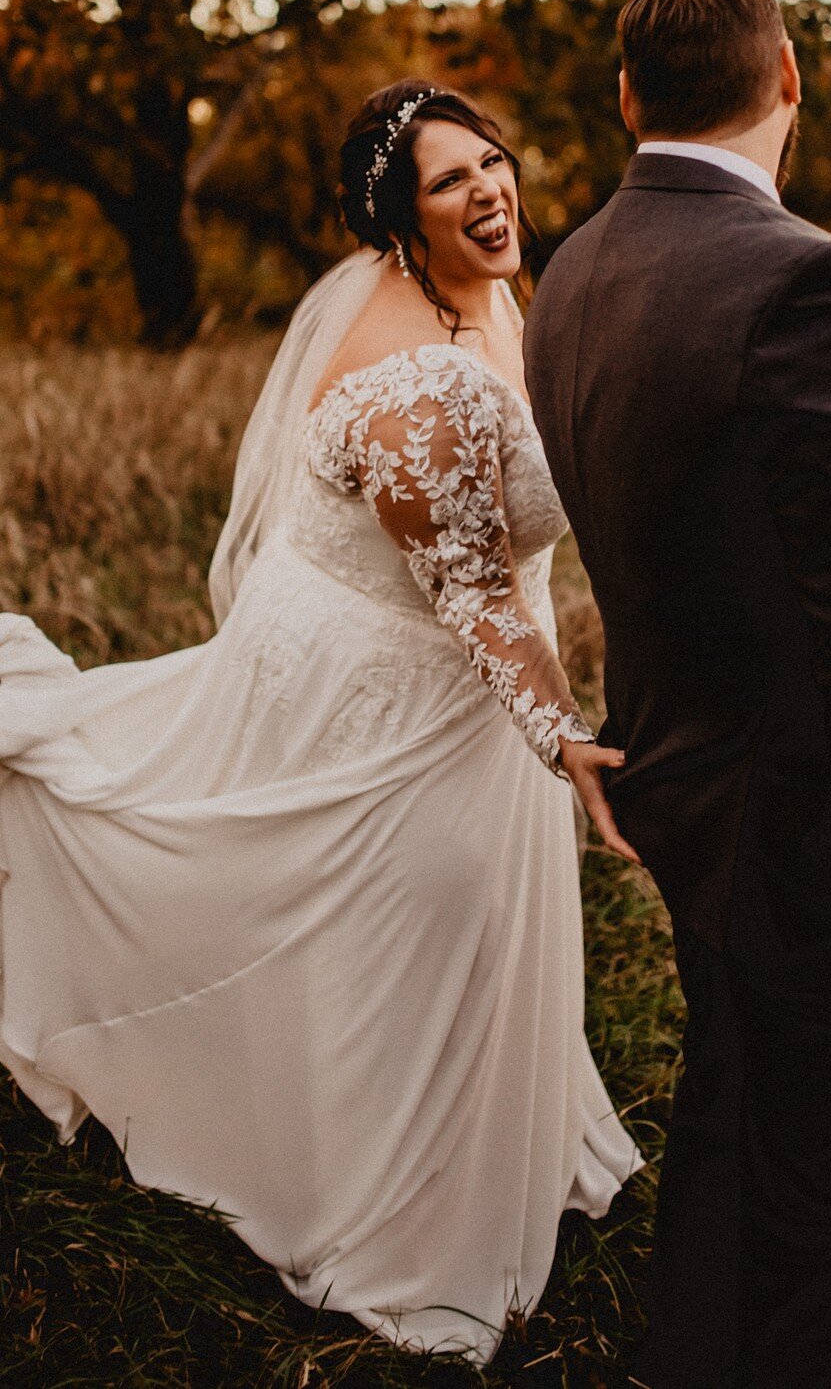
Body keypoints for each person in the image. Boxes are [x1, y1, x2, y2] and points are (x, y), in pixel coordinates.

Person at [0, 80, 641, 1365]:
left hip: (422, 642)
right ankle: (379, 1190)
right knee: (360, 912)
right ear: (400, 220)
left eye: (494, 162)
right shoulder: (415, 383)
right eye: (450, 181)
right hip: (382, 672)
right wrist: (564, 737)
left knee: (422, 917)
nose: (489, 190)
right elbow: (472, 597)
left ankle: (492, 1120)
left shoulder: (495, 300)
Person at [523, 0, 831, 1388]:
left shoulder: (572, 274)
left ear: (628, 97)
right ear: (787, 78)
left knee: (753, 1095)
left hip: (691, 792)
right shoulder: (812, 278)